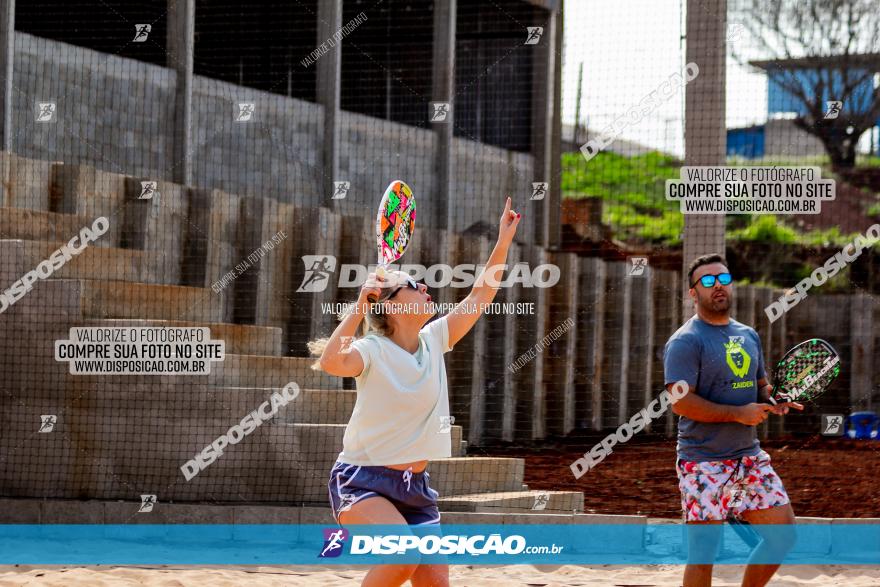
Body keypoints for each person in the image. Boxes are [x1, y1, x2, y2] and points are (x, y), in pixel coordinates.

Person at [312, 198, 521, 587]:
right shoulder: (372, 350)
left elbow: (479, 296)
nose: (424, 286)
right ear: (389, 306)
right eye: (412, 284)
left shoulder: (433, 339)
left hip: (416, 488)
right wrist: (359, 304)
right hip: (362, 482)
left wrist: (503, 240)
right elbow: (330, 363)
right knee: (402, 555)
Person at [663, 253, 802, 587]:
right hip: (703, 463)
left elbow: (760, 386)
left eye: (723, 279)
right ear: (693, 293)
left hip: (749, 459)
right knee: (704, 558)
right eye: (708, 281)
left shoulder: (748, 335)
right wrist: (738, 414)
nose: (718, 286)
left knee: (783, 537)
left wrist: (775, 399)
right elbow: (680, 402)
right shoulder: (685, 341)